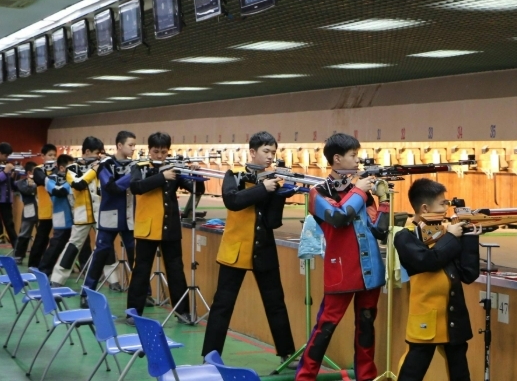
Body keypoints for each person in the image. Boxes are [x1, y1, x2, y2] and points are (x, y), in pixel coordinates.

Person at [297, 133, 387, 380]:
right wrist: (359, 190)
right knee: (325, 327)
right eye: (353, 155)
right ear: (337, 159)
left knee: (366, 326)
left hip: (370, 271)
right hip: (341, 272)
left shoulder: (362, 192)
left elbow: (379, 230)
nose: (358, 160)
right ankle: (304, 377)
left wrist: (384, 200)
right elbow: (338, 217)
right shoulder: (317, 193)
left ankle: (366, 376)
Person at [202, 131, 295, 361]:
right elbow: (233, 201)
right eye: (266, 151)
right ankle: (210, 355)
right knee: (222, 305)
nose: (270, 156)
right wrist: (263, 188)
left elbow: (272, 221)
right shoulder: (233, 175)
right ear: (252, 152)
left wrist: (281, 194)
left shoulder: (272, 179)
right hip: (235, 250)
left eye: (273, 152)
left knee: (276, 304)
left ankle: (287, 353)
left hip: (264, 250)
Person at [394, 178, 480, 381]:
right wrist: (451, 236)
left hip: (454, 318)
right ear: (425, 208)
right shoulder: (406, 237)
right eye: (442, 204)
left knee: (460, 374)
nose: (446, 209)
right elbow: (429, 260)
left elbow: (468, 273)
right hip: (426, 319)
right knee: (412, 372)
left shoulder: (444, 234)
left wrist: (470, 238)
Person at [127, 132, 204, 324]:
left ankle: (182, 312)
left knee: (176, 270)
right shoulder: (140, 167)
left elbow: (196, 190)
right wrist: (162, 176)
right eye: (156, 151)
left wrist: (195, 174)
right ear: (149, 150)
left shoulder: (174, 168)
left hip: (170, 228)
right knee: (141, 270)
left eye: (163, 152)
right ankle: (133, 312)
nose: (160, 155)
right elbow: (136, 187)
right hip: (147, 229)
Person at [50, 137, 119, 288]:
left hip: (101, 213)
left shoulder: (103, 166)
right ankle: (57, 278)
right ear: (87, 151)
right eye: (96, 153)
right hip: (82, 215)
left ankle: (114, 280)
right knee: (73, 247)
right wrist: (94, 170)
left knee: (106, 246)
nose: (98, 156)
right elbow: (79, 184)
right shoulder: (72, 168)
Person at [82, 131, 137, 305]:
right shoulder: (105, 164)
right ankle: (86, 293)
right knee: (100, 256)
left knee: (136, 256)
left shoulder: (135, 164)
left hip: (129, 218)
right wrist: (133, 176)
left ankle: (143, 293)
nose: (133, 149)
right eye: (130, 145)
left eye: (134, 145)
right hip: (109, 217)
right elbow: (111, 187)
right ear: (119, 145)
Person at [38, 154, 75, 275]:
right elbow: (58, 191)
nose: (73, 170)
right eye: (71, 167)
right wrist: (71, 182)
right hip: (61, 216)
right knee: (56, 245)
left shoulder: (73, 177)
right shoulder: (51, 179)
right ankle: (44, 270)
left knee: (81, 246)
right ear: (62, 168)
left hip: (77, 217)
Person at [27, 144, 58, 268]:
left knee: (60, 239)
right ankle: (33, 265)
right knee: (41, 239)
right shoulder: (38, 169)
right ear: (43, 156)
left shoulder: (59, 168)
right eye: (50, 155)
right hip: (45, 210)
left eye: (55, 155)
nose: (53, 157)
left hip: (59, 210)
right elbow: (43, 180)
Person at [13, 162, 39, 263]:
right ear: (29, 172)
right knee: (24, 233)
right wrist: (34, 186)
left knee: (41, 235)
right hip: (29, 209)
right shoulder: (21, 182)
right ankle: (18, 256)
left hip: (42, 209)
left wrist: (34, 185)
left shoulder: (41, 181)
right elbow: (27, 191)